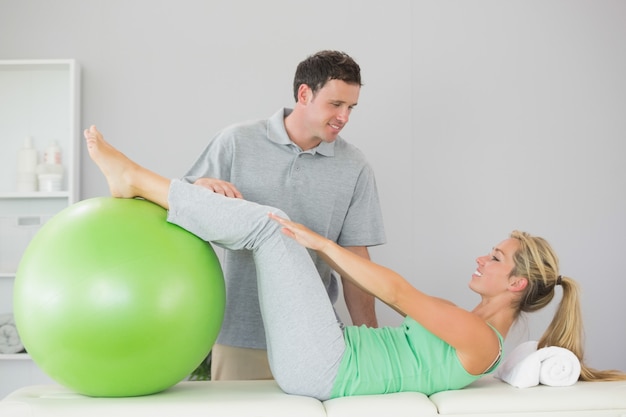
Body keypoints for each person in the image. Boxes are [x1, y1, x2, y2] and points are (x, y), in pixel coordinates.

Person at [84, 126, 626, 400]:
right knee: (273, 227)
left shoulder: (483, 342)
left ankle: (135, 179)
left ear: (517, 282)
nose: (483, 257)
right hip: (334, 355)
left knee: (270, 228)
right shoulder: (476, 329)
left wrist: (320, 243)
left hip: (329, 367)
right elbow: (393, 295)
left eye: (497, 256)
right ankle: (145, 183)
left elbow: (398, 292)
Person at [181, 50, 386, 380]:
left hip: (316, 341)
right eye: (336, 104)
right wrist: (203, 186)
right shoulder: (236, 141)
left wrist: (372, 342)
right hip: (240, 336)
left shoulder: (355, 167)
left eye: (351, 108)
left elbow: (356, 263)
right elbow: (182, 205)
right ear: (305, 94)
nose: (344, 117)